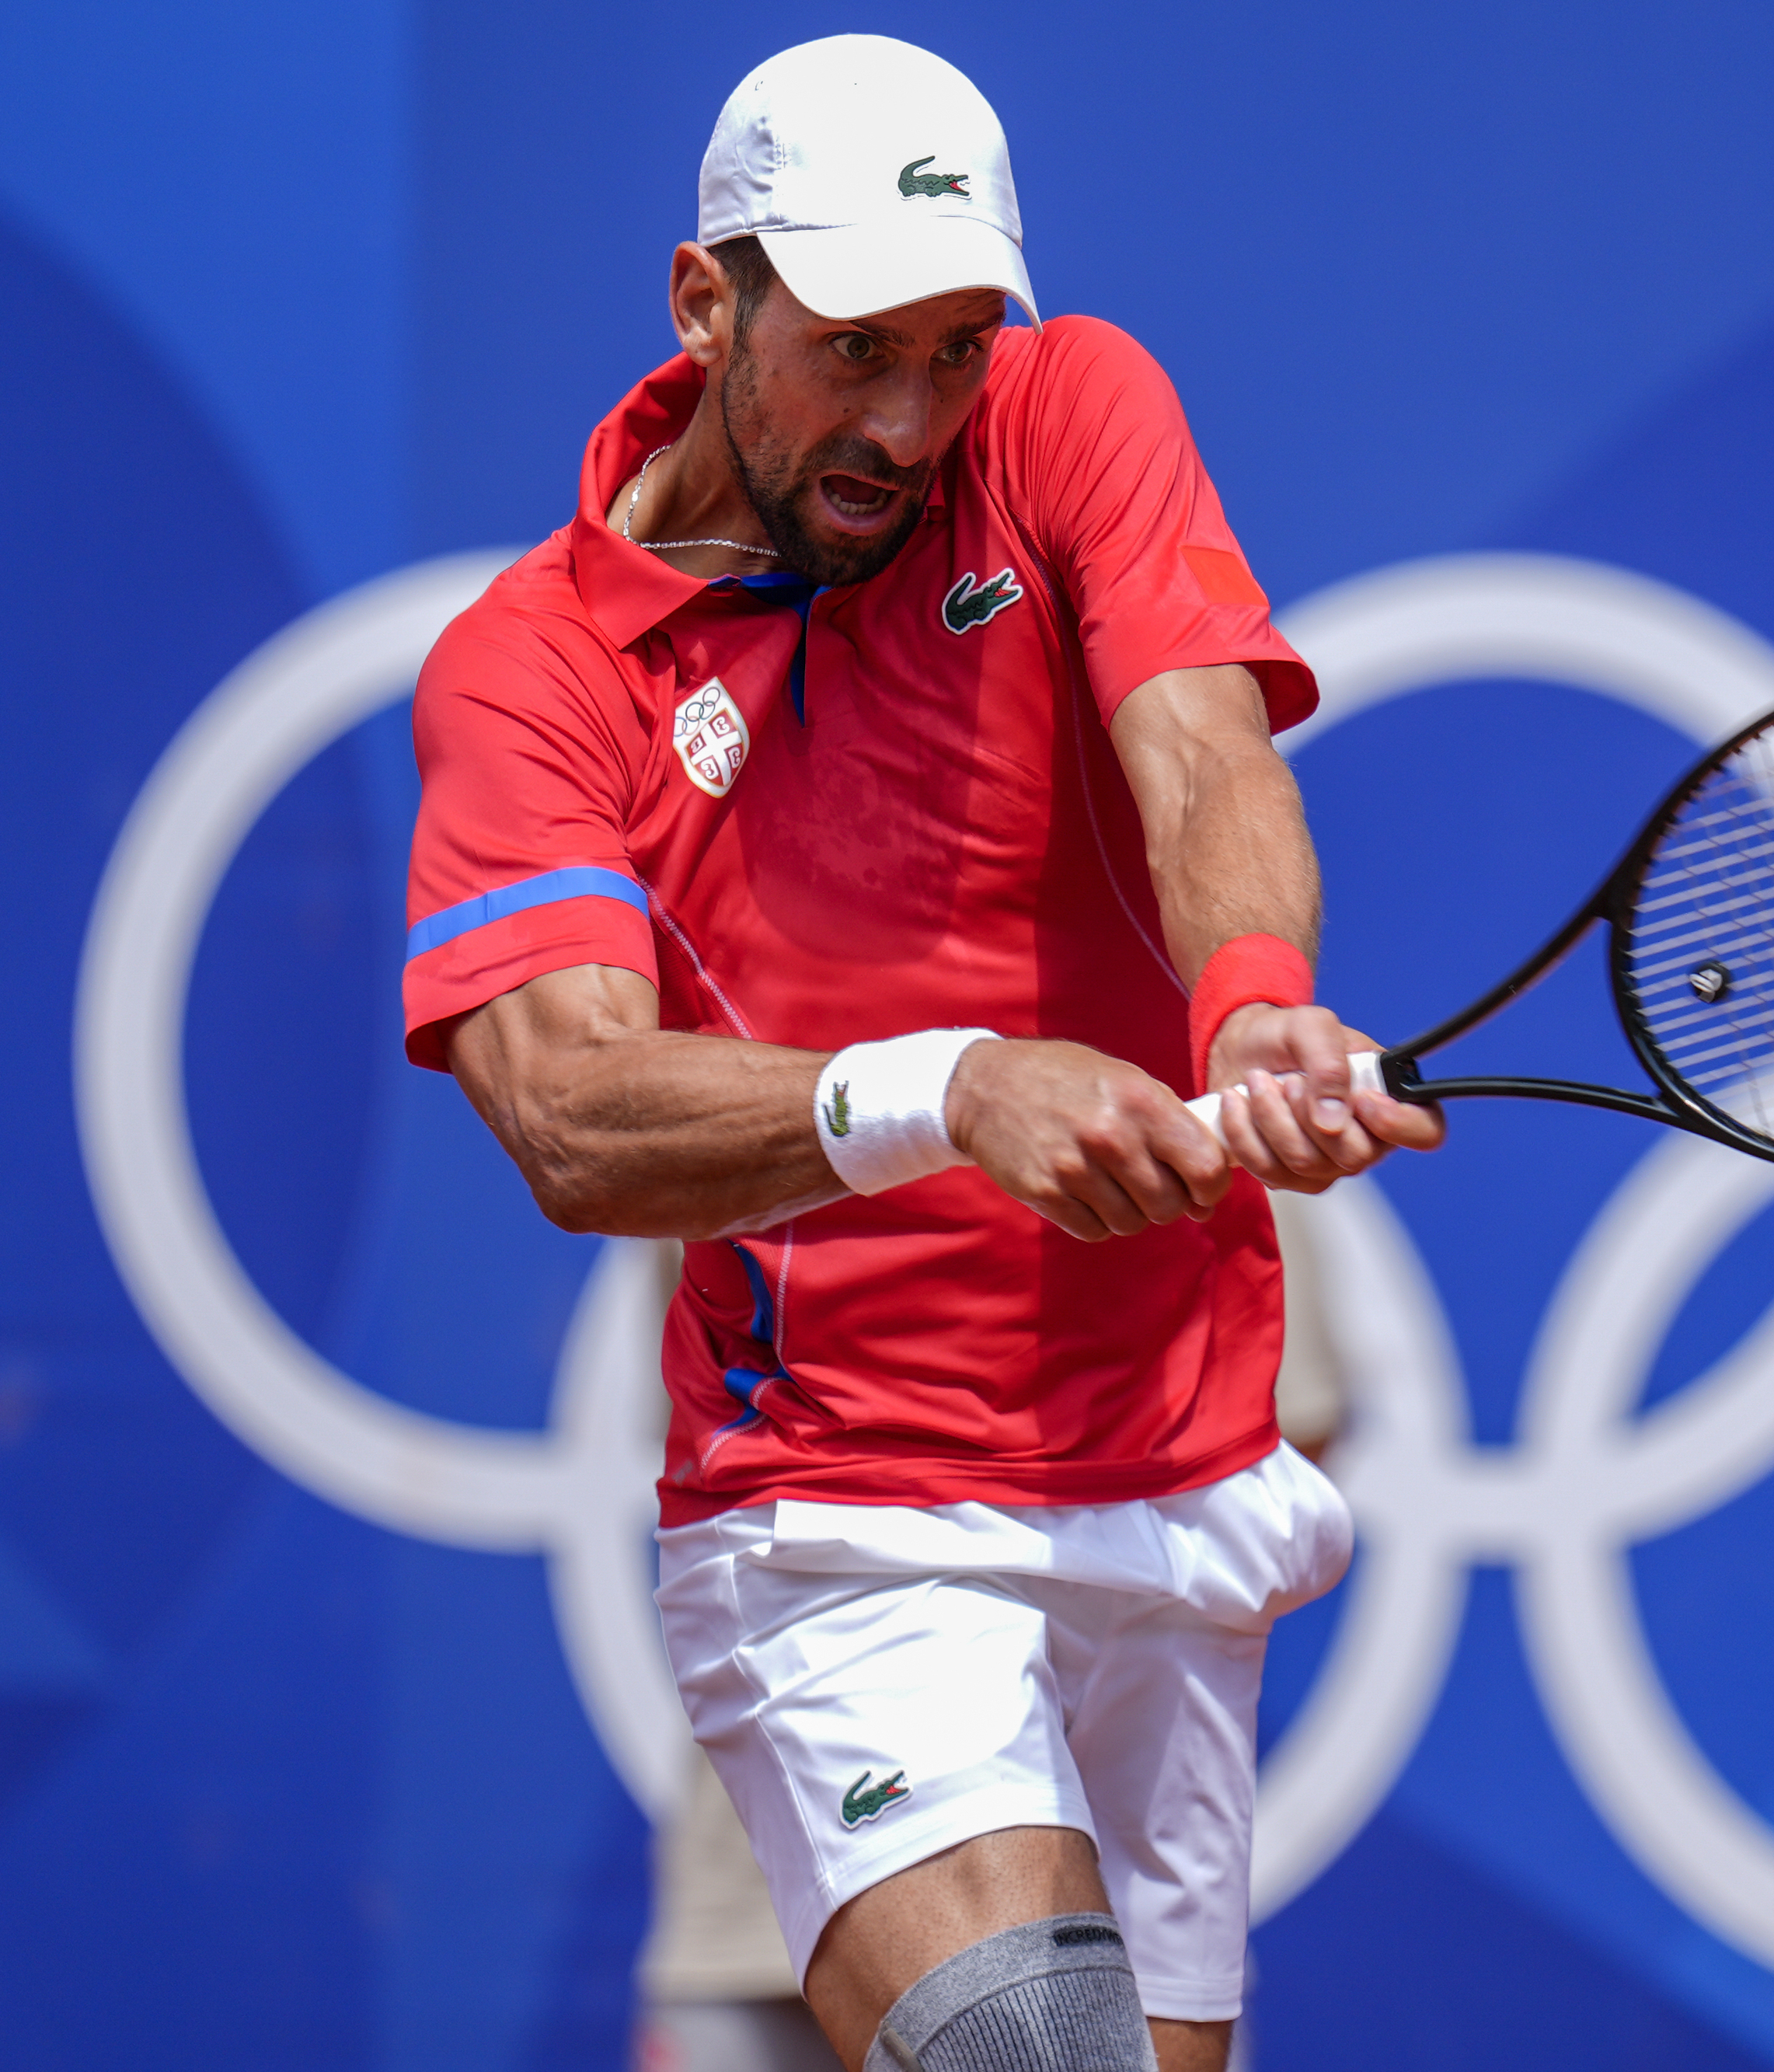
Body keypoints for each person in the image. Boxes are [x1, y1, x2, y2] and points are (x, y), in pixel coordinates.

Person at [400, 35, 1439, 2072]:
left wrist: (1252, 1002)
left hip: (1174, 1446)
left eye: (955, 349)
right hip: (843, 1513)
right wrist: (950, 1085)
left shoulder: (1067, 411)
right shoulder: (530, 672)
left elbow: (1201, 748)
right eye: (858, 348)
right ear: (707, 302)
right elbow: (574, 1112)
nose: (911, 414)